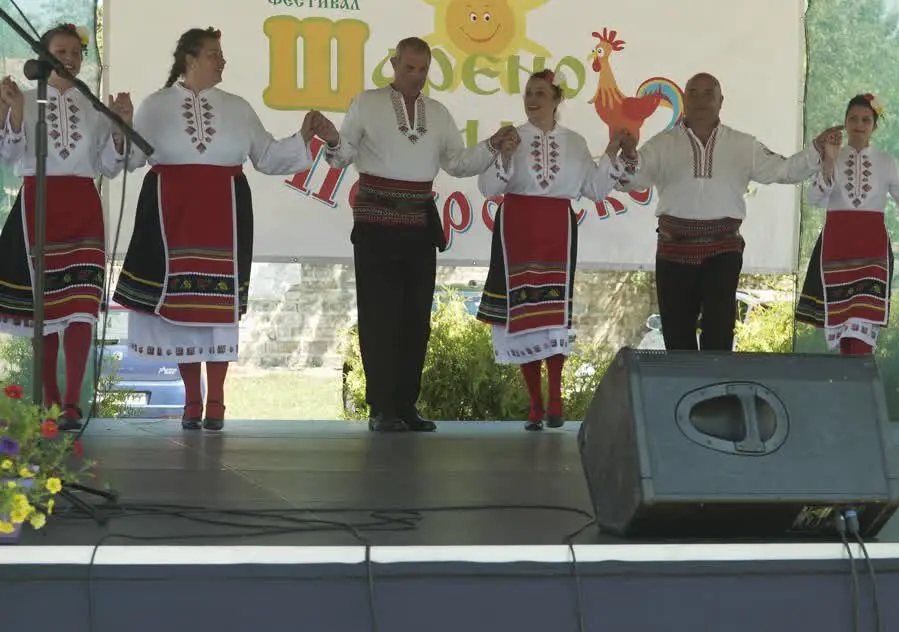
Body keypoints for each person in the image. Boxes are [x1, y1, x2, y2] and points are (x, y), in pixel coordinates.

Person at [112, 27, 321, 431]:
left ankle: (219, 401)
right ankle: (192, 400)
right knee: (182, 308)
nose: (221, 61)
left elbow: (268, 156)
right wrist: (122, 124)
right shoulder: (156, 106)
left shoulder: (238, 107)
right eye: (213, 54)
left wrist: (303, 137)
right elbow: (132, 158)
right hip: (171, 211)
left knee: (217, 305)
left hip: (225, 211)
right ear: (190, 59)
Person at [317, 37, 517, 432]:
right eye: (409, 68)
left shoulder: (438, 114)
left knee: (415, 319)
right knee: (380, 316)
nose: (416, 76)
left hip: (418, 228)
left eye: (423, 69)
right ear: (393, 63)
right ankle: (381, 408)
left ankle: (406, 404)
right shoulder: (367, 103)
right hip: (375, 225)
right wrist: (332, 138)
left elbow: (458, 164)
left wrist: (493, 144)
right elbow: (342, 157)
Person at [612, 72, 841, 351]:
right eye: (693, 92)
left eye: (709, 93)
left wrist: (816, 149)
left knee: (719, 333)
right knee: (676, 334)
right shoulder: (662, 144)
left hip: (723, 252)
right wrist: (628, 156)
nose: (701, 99)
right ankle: (683, 393)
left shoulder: (742, 145)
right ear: (684, 100)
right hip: (673, 251)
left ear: (721, 101)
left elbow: (783, 170)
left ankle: (717, 395)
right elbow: (632, 179)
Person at [0, 24, 141, 430]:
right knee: (46, 311)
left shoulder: (95, 106)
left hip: (83, 206)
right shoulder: (25, 99)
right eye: (61, 51)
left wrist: (119, 128)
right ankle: (51, 401)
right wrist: (12, 112)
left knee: (81, 308)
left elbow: (112, 166)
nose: (70, 58)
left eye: (77, 52)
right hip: (38, 205)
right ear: (44, 55)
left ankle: (74, 402)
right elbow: (9, 157)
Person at [475, 69, 622, 430]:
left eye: (540, 92)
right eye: (528, 92)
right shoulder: (511, 137)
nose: (532, 99)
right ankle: (535, 405)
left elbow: (595, 190)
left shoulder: (574, 142)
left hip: (557, 228)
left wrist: (613, 153)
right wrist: (505, 156)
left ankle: (555, 401)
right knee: (523, 311)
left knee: (553, 311)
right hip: (517, 228)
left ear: (557, 100)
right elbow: (487, 187)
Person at [795, 93, 899, 355]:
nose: (859, 124)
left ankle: (856, 388)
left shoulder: (887, 162)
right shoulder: (833, 157)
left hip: (872, 252)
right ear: (845, 123)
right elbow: (814, 198)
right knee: (844, 334)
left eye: (865, 119)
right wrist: (828, 160)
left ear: (875, 125)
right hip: (836, 249)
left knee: (862, 331)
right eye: (853, 119)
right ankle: (851, 389)